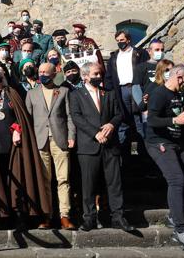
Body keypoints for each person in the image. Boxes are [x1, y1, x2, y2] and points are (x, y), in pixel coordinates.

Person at [145, 64, 184, 254]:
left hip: (179, 142)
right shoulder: (159, 94)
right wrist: (174, 121)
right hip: (159, 143)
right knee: (177, 180)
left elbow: (181, 120)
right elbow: (152, 120)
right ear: (179, 77)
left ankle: (175, 213)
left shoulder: (180, 95)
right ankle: (181, 229)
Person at [0, 66, 51, 227]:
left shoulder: (12, 93)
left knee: (18, 177)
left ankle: (20, 215)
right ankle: (2, 216)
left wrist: (17, 129)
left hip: (14, 145)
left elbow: (21, 117)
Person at [69, 62, 133, 232]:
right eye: (96, 74)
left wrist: (111, 125)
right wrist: (95, 133)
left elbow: (119, 114)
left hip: (110, 145)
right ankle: (89, 218)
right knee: (88, 185)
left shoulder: (108, 93)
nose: (99, 76)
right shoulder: (76, 95)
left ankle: (118, 217)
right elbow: (77, 117)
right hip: (89, 146)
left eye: (100, 74)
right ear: (85, 76)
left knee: (115, 183)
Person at [25, 63, 76, 230]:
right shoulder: (31, 94)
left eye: (46, 72)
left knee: (63, 179)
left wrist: (71, 136)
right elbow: (28, 120)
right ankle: (46, 215)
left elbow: (69, 116)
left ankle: (64, 216)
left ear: (54, 74)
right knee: (44, 180)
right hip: (40, 141)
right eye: (40, 72)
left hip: (60, 140)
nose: (42, 74)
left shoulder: (64, 91)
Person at [104, 29, 149, 147]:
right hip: (121, 91)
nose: (120, 42)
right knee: (123, 120)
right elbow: (108, 77)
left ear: (128, 40)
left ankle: (143, 151)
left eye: (122, 40)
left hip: (136, 88)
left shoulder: (139, 53)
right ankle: (126, 152)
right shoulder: (114, 57)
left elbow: (147, 71)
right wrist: (110, 93)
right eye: (117, 40)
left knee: (139, 119)